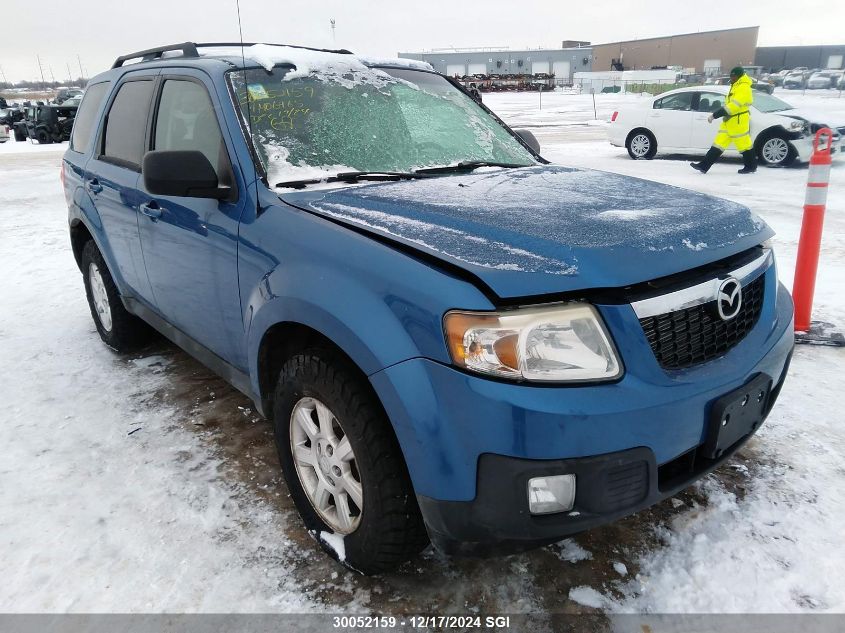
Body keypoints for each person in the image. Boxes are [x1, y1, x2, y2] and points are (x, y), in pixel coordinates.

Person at [691, 66, 757, 174]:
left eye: (733, 76)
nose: (731, 78)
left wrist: (715, 115)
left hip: (738, 122)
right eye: (731, 75)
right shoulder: (736, 85)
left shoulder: (743, 87)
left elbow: (733, 106)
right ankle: (704, 166)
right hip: (729, 121)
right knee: (718, 144)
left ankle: (751, 166)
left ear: (739, 76)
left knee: (744, 145)